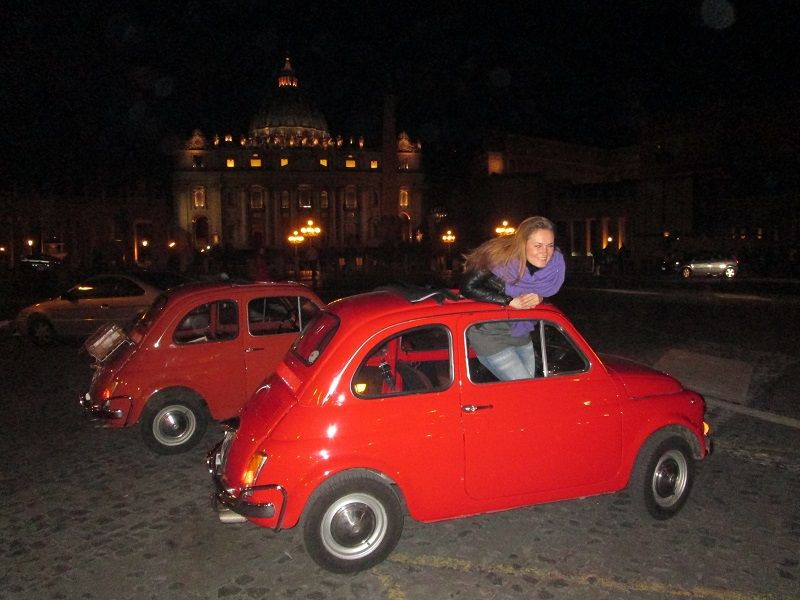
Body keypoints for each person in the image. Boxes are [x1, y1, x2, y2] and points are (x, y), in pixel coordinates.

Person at [459, 216, 565, 380]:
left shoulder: (555, 265)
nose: (545, 253)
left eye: (549, 245)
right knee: (526, 387)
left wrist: (540, 297)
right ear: (523, 244)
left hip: (521, 331)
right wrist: (508, 300)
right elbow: (468, 287)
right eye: (538, 245)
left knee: (527, 385)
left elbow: (549, 293)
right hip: (491, 333)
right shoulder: (500, 259)